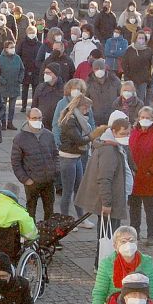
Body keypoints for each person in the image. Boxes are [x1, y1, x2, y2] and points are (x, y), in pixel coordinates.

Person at [76, 114, 133, 246]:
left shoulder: (112, 146)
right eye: (123, 133)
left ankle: (103, 264)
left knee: (108, 236)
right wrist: (107, 203)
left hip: (114, 198)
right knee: (107, 238)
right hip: (110, 201)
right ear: (113, 132)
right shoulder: (109, 150)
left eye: (128, 133)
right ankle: (101, 265)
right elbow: (104, 179)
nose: (126, 136)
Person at [91, 226, 153, 304]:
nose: (128, 244)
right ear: (115, 246)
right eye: (123, 241)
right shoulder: (107, 263)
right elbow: (99, 293)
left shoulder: (147, 262)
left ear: (137, 243)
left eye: (131, 240)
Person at [57, 96, 98, 228]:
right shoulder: (70, 120)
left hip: (76, 156)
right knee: (67, 191)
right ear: (79, 107)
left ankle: (80, 218)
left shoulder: (79, 118)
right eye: (86, 107)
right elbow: (79, 140)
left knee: (78, 189)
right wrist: (93, 135)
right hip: (68, 157)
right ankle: (65, 220)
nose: (88, 110)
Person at [11, 108, 58, 220]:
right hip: (32, 182)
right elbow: (16, 162)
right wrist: (26, 179)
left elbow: (55, 155)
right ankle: (30, 235)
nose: (37, 120)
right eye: (34, 118)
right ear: (28, 119)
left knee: (49, 210)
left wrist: (55, 171)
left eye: (39, 118)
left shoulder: (49, 135)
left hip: (48, 180)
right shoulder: (19, 139)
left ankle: (48, 234)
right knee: (30, 211)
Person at [129, 106, 153, 241]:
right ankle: (134, 233)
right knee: (134, 208)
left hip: (150, 178)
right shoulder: (133, 133)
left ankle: (152, 235)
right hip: (135, 177)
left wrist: (152, 170)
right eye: (142, 117)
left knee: (150, 209)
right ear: (138, 118)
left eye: (148, 118)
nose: (144, 120)